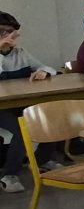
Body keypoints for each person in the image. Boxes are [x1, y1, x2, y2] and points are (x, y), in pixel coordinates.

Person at [0, 11, 60, 192]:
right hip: (1, 107)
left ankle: (43, 159)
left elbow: (46, 67)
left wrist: (44, 72)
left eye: (9, 32)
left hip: (18, 103)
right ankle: (9, 174)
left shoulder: (21, 53)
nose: (6, 36)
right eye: (1, 32)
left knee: (50, 118)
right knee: (22, 128)